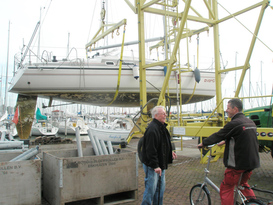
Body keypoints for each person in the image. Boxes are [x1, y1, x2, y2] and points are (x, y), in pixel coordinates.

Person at [197, 98, 260, 205]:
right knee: (243, 184)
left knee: (226, 187)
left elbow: (219, 135)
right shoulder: (250, 122)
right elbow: (241, 137)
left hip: (238, 164)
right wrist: (226, 141)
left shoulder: (235, 123)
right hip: (252, 162)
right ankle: (252, 202)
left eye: (228, 108)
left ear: (235, 109)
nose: (226, 110)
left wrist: (204, 143)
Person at [141, 106, 177, 205]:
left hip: (161, 164)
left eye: (165, 113)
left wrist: (170, 153)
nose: (165, 115)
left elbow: (163, 144)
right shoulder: (152, 129)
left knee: (160, 190)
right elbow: (150, 150)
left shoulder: (161, 127)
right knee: (150, 190)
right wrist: (155, 166)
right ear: (156, 115)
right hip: (153, 166)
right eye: (163, 113)